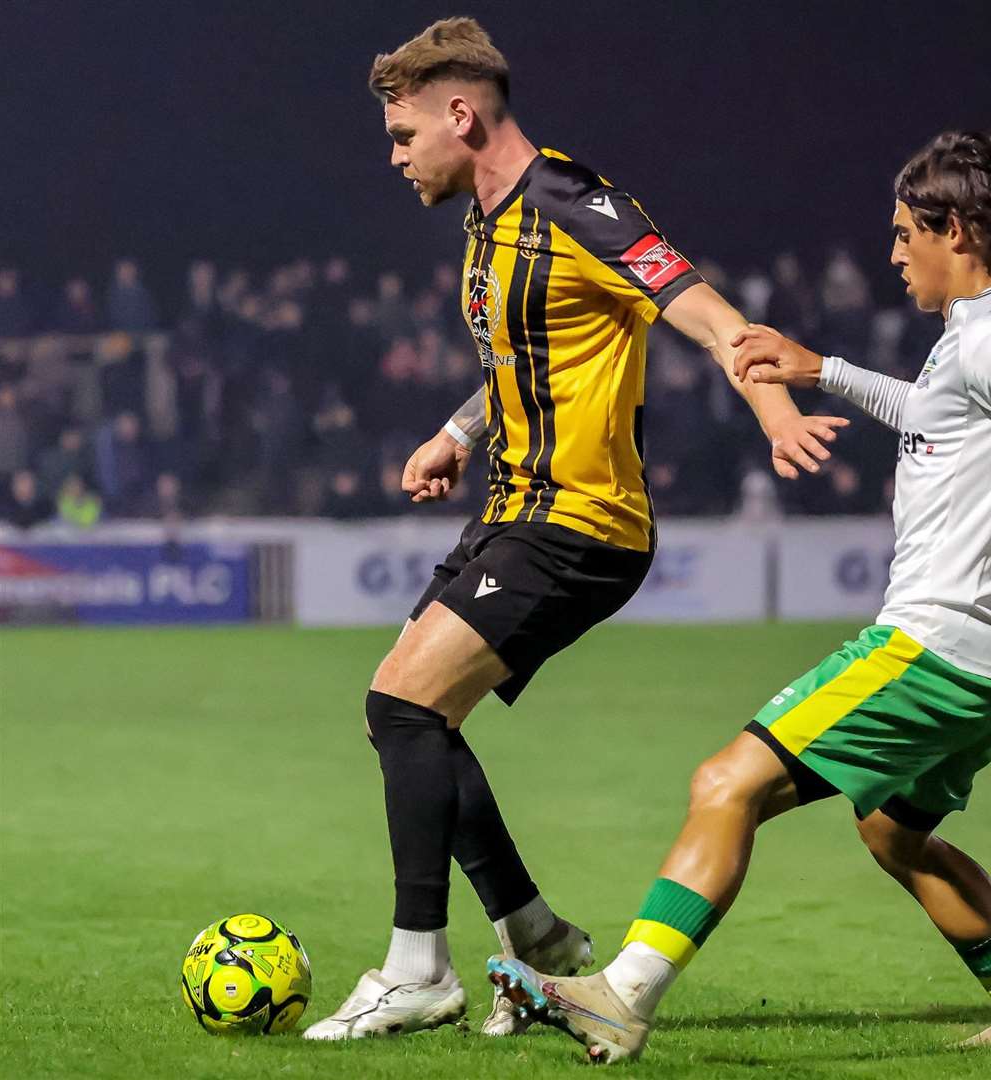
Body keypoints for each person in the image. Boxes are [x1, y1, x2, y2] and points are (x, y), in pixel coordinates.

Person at [487, 130, 991, 1063]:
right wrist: (825, 371)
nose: (891, 254)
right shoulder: (977, 340)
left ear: (953, 230)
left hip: (936, 645)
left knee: (726, 783)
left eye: (901, 233)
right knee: (895, 831)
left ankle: (623, 993)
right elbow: (933, 415)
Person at [303, 16, 846, 1041]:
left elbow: (697, 306)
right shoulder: (487, 222)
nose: (394, 156)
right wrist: (457, 428)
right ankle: (536, 934)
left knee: (405, 706)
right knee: (403, 717)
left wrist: (772, 404)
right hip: (514, 506)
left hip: (584, 522)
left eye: (403, 133)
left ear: (461, 115)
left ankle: (421, 965)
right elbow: (526, 354)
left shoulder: (574, 204)